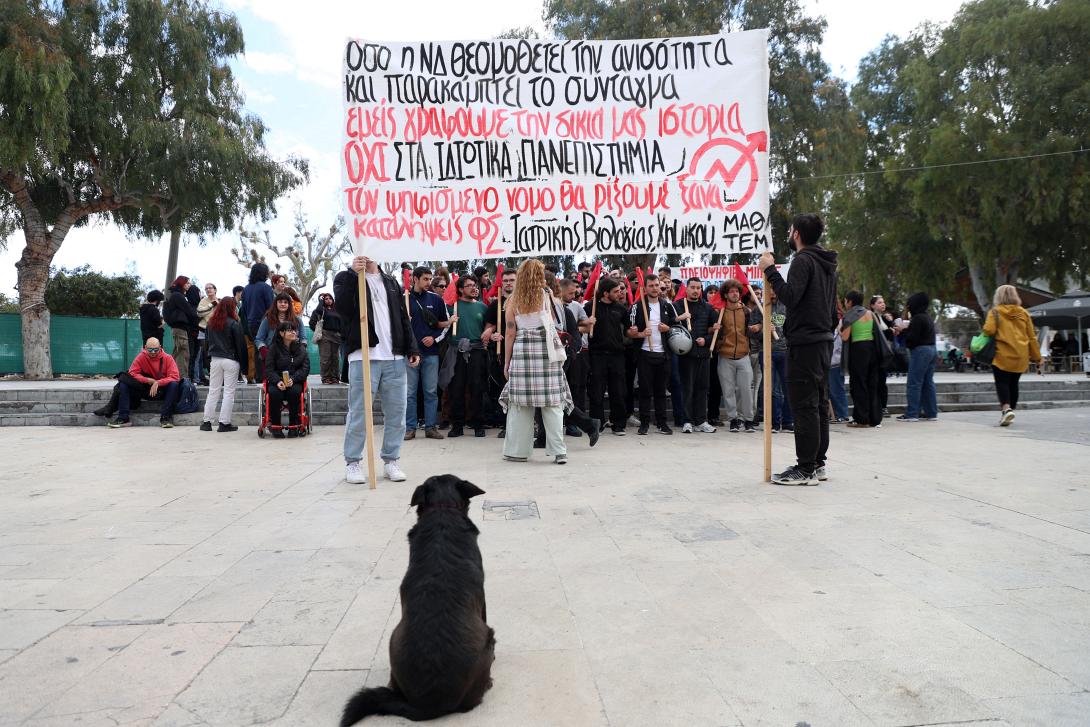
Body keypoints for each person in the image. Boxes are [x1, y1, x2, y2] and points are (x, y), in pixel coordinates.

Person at [758, 213, 838, 486]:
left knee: (804, 406)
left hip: (806, 342)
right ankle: (817, 463)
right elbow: (828, 308)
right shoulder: (826, 263)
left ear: (797, 234)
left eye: (790, 230)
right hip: (822, 340)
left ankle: (805, 469)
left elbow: (791, 297)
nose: (788, 234)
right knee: (817, 404)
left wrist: (770, 270)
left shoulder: (803, 260)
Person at [335, 257, 419, 481]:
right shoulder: (345, 278)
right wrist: (353, 275)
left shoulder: (391, 282)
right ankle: (353, 462)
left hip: (394, 356)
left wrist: (411, 347)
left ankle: (391, 460)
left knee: (397, 414)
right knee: (359, 413)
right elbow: (342, 308)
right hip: (363, 355)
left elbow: (403, 317)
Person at [499, 261, 576, 464]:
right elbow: (551, 324)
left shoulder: (513, 300)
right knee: (552, 403)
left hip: (522, 352)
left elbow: (510, 332)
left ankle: (517, 452)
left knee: (520, 405)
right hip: (546, 352)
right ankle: (559, 452)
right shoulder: (546, 296)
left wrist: (506, 362)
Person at [628, 275, 683, 435]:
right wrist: (638, 333)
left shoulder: (667, 305)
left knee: (661, 391)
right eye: (651, 285)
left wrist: (668, 328)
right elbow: (629, 331)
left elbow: (677, 326)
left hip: (663, 355)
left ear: (660, 286)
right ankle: (644, 423)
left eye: (656, 285)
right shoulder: (637, 306)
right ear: (645, 288)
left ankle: (662, 423)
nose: (654, 288)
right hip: (645, 354)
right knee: (645, 391)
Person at [983, 284, 1043, 427]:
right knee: (1013, 384)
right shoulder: (1024, 313)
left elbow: (989, 330)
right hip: (1021, 355)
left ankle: (1006, 409)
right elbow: (1032, 337)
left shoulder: (995, 312)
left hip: (1002, 354)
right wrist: (1038, 358)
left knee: (1002, 382)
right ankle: (1010, 411)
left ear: (998, 296)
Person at [405, 266, 452, 440]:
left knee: (431, 392)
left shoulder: (436, 299)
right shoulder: (403, 299)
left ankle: (430, 427)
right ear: (415, 279)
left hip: (431, 353)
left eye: (429, 279)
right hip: (410, 354)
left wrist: (434, 338)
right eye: (425, 279)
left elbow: (445, 324)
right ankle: (410, 428)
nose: (428, 282)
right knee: (410, 393)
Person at [443, 275, 488, 438]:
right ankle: (457, 425)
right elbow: (441, 325)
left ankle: (478, 424)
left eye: (475, 285)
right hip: (456, 351)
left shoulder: (482, 307)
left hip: (476, 351)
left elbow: (489, 327)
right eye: (469, 285)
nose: (474, 288)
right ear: (461, 289)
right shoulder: (452, 307)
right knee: (456, 388)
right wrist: (448, 321)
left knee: (477, 387)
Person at [106, 338, 181, 428]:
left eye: (156, 349)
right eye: (150, 349)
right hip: (145, 389)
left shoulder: (168, 358)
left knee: (174, 385)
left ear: (160, 347)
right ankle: (123, 418)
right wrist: (147, 380)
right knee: (124, 383)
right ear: (145, 348)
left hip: (161, 390)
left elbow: (175, 377)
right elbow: (132, 373)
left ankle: (166, 418)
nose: (153, 352)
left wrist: (158, 382)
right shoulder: (141, 356)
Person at [586, 277, 628, 435]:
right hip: (597, 355)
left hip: (617, 355)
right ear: (605, 293)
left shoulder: (621, 309)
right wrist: (587, 323)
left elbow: (628, 330)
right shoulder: (590, 307)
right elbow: (579, 325)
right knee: (596, 391)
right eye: (615, 291)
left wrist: (634, 331)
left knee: (618, 391)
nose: (619, 294)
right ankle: (597, 423)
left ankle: (619, 424)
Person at [715, 279, 758, 433]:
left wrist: (757, 327)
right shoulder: (719, 312)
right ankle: (733, 419)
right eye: (731, 291)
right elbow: (711, 331)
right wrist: (713, 328)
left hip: (743, 355)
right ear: (726, 295)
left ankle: (748, 420)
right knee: (728, 391)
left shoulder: (747, 311)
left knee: (746, 390)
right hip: (725, 356)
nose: (735, 294)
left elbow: (757, 327)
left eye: (737, 291)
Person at [676, 278, 719, 433]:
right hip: (685, 355)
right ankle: (687, 421)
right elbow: (671, 328)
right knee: (687, 388)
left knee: (702, 388)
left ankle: (701, 421)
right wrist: (678, 318)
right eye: (692, 287)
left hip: (703, 354)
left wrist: (706, 340)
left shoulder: (708, 308)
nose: (695, 290)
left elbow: (716, 332)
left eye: (698, 288)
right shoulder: (678, 306)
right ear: (686, 288)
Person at [201, 296, 247, 433]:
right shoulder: (234, 323)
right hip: (231, 360)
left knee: (213, 391)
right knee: (228, 392)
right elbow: (241, 346)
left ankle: (206, 422)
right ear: (232, 308)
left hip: (215, 360)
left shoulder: (211, 323)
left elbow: (206, 344)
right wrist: (245, 367)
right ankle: (224, 423)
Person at [483, 268, 518, 435]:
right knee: (504, 389)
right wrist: (492, 334)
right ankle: (507, 426)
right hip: (502, 353)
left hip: (522, 351)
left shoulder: (525, 302)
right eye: (505, 281)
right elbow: (486, 330)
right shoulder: (495, 306)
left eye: (512, 280)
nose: (508, 283)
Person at [840, 290, 881, 428]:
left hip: (858, 351)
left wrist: (839, 329)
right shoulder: (870, 313)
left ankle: (862, 419)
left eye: (845, 301)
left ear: (850, 302)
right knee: (871, 384)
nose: (845, 303)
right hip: (872, 349)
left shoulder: (850, 315)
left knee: (858, 385)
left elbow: (845, 337)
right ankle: (874, 418)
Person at [895, 292, 939, 423]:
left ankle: (912, 413)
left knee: (914, 383)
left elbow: (912, 339)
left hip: (920, 351)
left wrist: (903, 331)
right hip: (932, 349)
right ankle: (931, 413)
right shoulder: (927, 317)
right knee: (928, 382)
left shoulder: (917, 318)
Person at [559, 278, 594, 436]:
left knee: (573, 390)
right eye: (570, 293)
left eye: (575, 293)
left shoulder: (574, 307)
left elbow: (585, 328)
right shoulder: (551, 306)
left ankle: (573, 424)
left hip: (572, 355)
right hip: (555, 356)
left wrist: (581, 326)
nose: (573, 296)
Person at [264, 321, 311, 438]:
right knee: (274, 393)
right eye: (290, 330)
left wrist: (293, 379)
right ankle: (275, 426)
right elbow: (269, 369)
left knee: (294, 392)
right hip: (278, 381)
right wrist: (277, 381)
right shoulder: (273, 349)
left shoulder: (301, 349)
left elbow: (305, 369)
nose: (293, 332)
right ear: (281, 333)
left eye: (294, 330)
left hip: (294, 380)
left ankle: (294, 426)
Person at [764, 288, 793, 432]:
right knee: (772, 390)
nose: (773, 292)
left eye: (775, 289)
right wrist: (763, 329)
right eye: (769, 289)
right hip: (768, 353)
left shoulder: (788, 307)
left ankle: (787, 422)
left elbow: (793, 328)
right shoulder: (760, 308)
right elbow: (751, 332)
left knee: (788, 388)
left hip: (785, 352)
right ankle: (774, 423)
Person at [162, 276, 198, 380]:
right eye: (187, 283)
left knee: (177, 352)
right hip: (180, 327)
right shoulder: (178, 295)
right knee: (183, 353)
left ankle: (170, 374)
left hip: (177, 328)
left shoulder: (175, 295)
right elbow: (189, 311)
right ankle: (182, 378)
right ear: (182, 284)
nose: (189, 285)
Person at [243, 263, 275, 379]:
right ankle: (267, 376)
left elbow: (244, 309)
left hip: (250, 323)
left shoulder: (246, 288)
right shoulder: (266, 287)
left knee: (257, 350)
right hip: (265, 322)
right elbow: (271, 307)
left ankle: (259, 377)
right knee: (268, 348)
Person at [309, 292, 345, 385]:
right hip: (325, 335)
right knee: (326, 357)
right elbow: (312, 323)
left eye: (330, 298)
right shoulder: (320, 310)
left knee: (335, 358)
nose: (328, 300)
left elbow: (342, 323)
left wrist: (341, 334)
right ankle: (325, 378)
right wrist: (321, 301)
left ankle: (335, 377)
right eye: (326, 299)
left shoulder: (337, 310)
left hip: (336, 336)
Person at [870, 295, 894, 416]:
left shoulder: (883, 317)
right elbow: (877, 335)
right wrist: (890, 331)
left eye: (883, 302)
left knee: (882, 381)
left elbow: (889, 334)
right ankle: (877, 407)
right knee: (877, 381)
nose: (883, 304)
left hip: (885, 353)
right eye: (879, 302)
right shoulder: (872, 317)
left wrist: (890, 323)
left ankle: (883, 407)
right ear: (872, 305)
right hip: (876, 354)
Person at [194, 282, 218, 384]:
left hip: (216, 332)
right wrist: (211, 305)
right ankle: (210, 375)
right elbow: (199, 313)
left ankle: (217, 376)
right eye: (206, 288)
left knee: (216, 354)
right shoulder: (203, 301)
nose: (208, 290)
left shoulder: (220, 301)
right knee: (205, 354)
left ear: (215, 290)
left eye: (210, 288)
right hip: (203, 331)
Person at [829, 324, 850, 421]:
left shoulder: (838, 330)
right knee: (834, 390)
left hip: (835, 363)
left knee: (837, 390)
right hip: (832, 363)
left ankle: (842, 414)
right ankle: (837, 414)